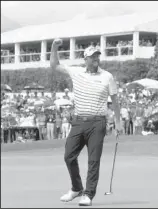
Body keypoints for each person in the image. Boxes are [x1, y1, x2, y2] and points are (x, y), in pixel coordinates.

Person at [50, 38, 121, 206]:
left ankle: (88, 194)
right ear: (86, 59)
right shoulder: (77, 72)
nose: (96, 59)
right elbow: (54, 65)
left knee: (93, 160)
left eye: (97, 56)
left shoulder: (107, 76)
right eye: (92, 56)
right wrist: (54, 47)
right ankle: (76, 188)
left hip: (98, 123)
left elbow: (115, 101)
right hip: (79, 122)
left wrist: (118, 121)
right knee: (69, 156)